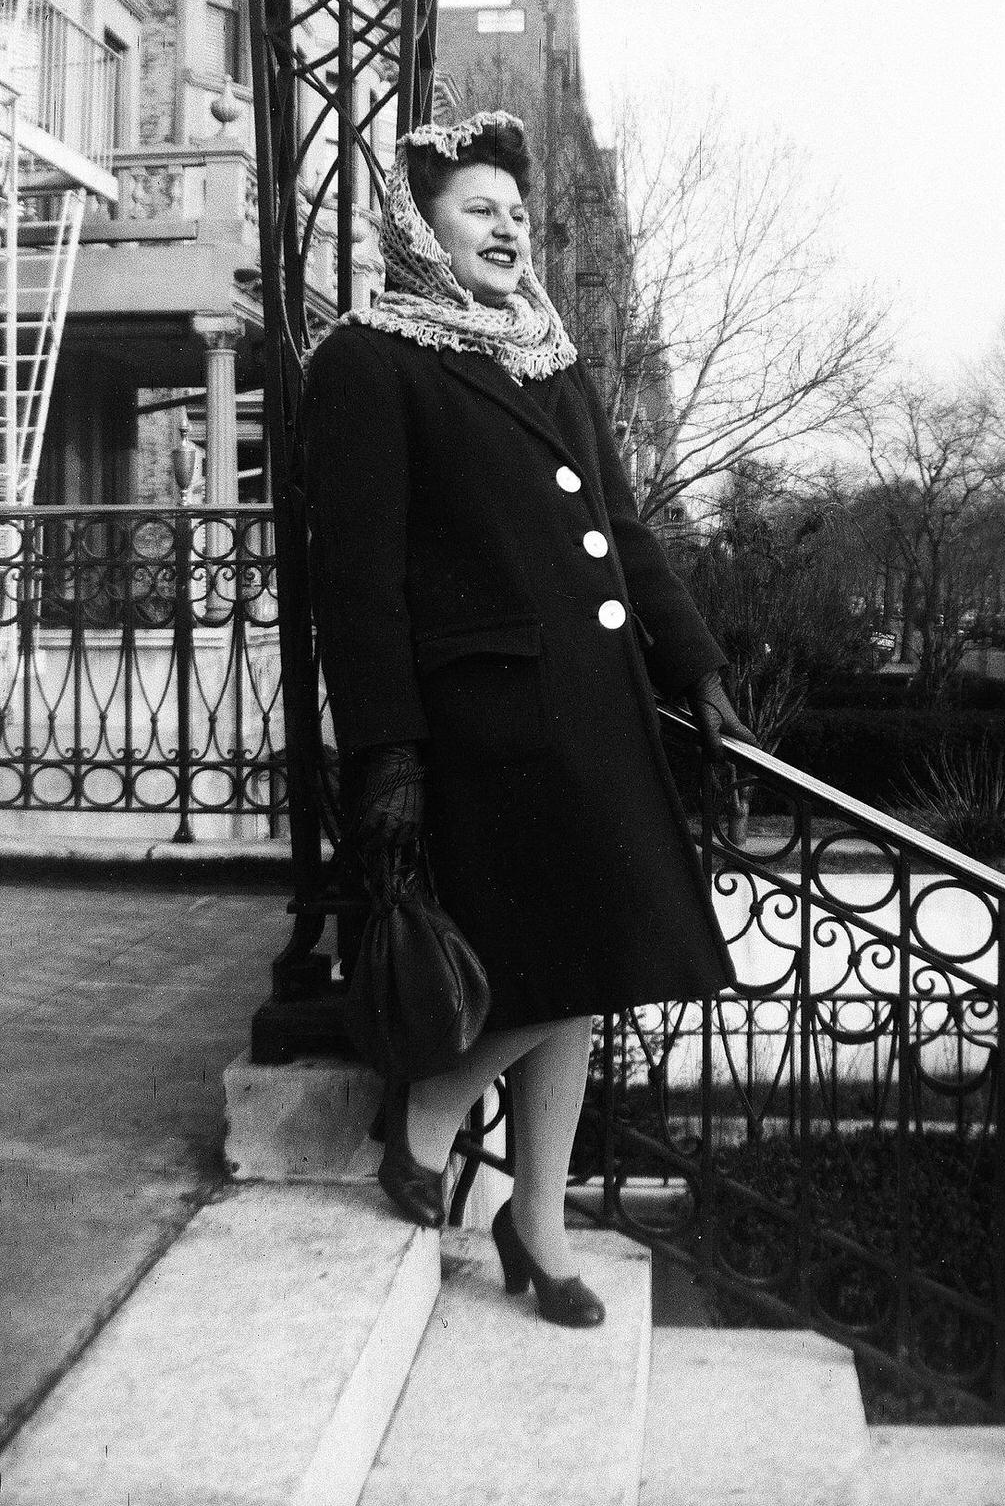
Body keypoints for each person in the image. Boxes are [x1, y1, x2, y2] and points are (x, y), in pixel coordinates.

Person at [303, 111, 754, 1329]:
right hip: (484, 723)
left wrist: (695, 662)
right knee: (598, 937)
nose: (506, 227)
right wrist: (386, 750)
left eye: (514, 208)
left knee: (589, 964)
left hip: (596, 709)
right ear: (418, 233)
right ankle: (434, 1108)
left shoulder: (546, 352)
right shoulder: (367, 361)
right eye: (475, 209)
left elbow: (626, 527)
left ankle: (536, 1226)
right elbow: (360, 582)